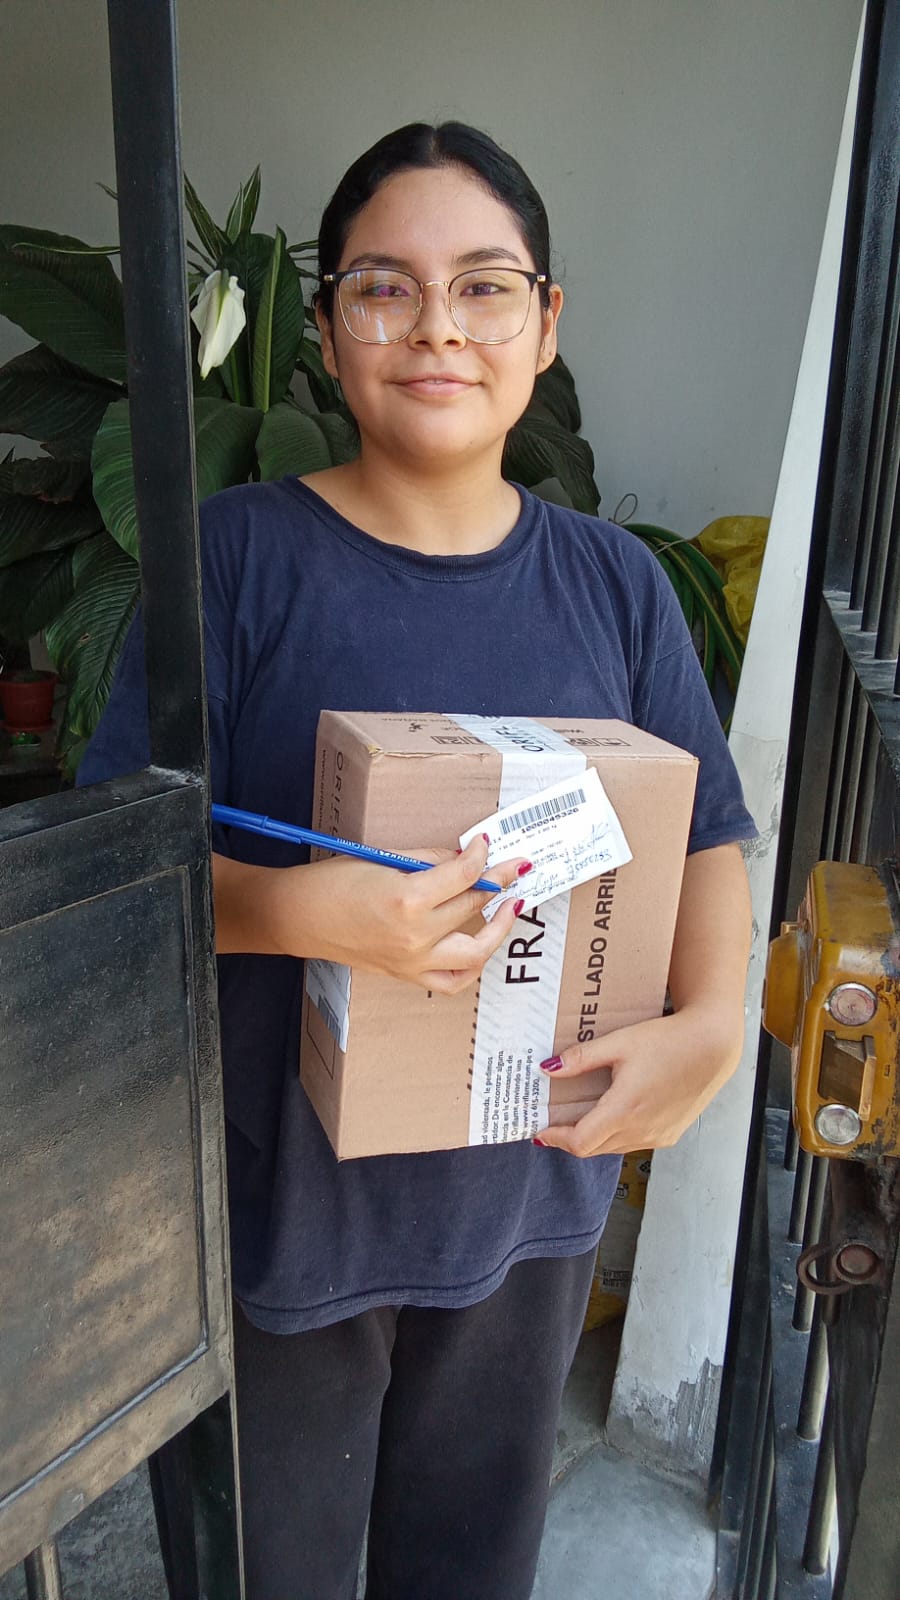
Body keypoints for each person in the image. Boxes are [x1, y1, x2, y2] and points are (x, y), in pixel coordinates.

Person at [79, 122, 755, 1600]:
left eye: (485, 286)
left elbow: (708, 830)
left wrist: (714, 1028)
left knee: (468, 1568)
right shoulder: (233, 561)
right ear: (326, 331)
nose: (438, 326)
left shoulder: (615, 584)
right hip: (280, 1218)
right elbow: (116, 876)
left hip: (527, 1208)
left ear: (546, 323)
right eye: (384, 287)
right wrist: (295, 912)